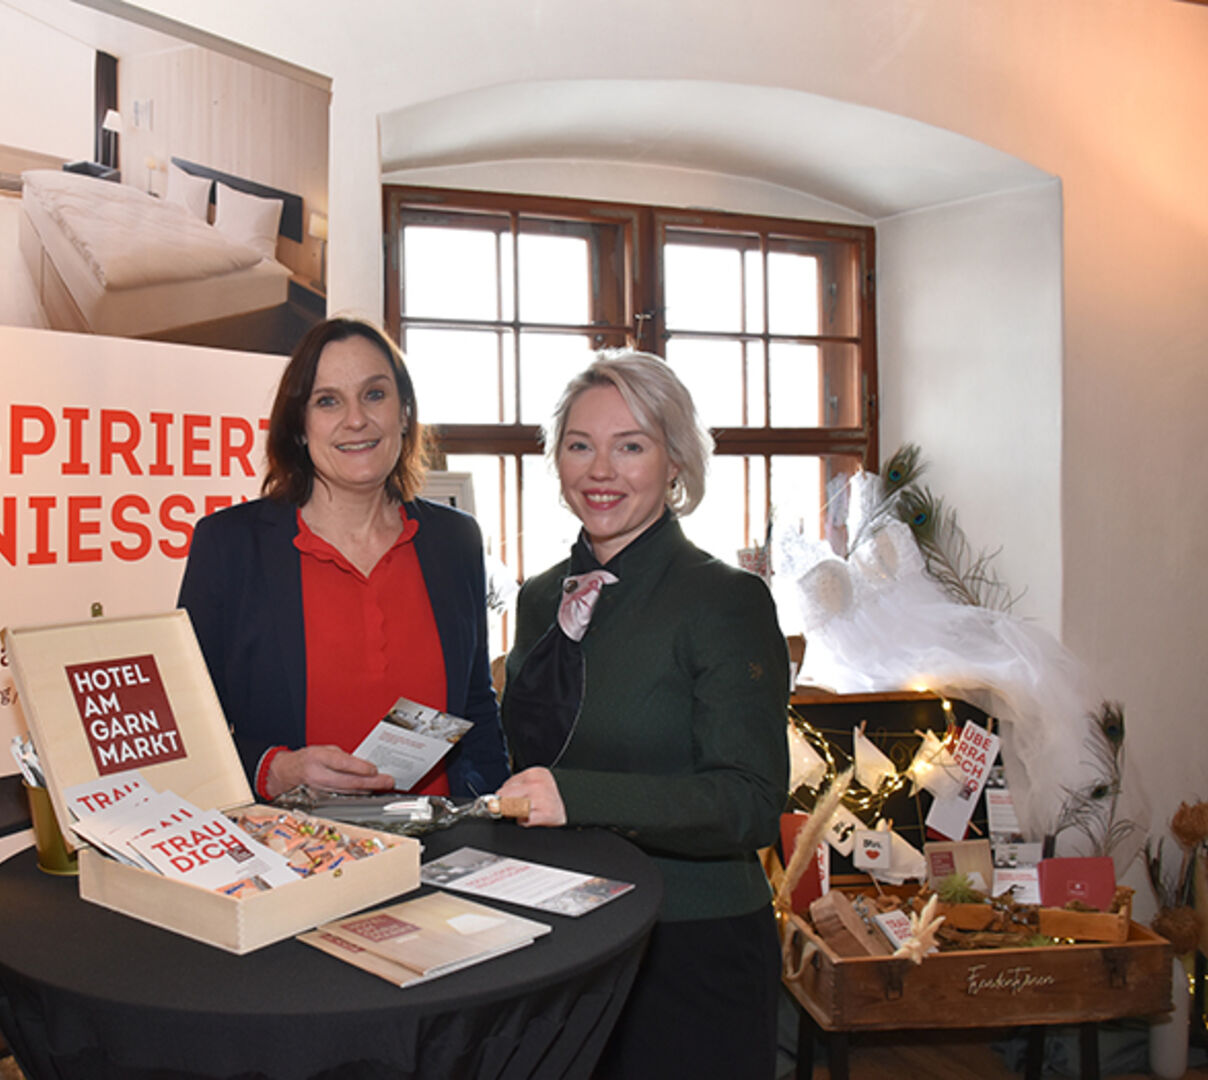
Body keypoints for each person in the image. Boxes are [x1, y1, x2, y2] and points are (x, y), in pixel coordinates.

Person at [495, 351, 789, 1079]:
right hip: (565, 928)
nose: (601, 470)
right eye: (579, 444)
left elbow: (749, 804)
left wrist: (579, 797)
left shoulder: (723, 600)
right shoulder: (540, 599)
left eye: (630, 446)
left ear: (675, 464)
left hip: (688, 944)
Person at [178, 317, 509, 800]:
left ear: (404, 412)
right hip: (296, 852)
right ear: (299, 426)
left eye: (375, 394)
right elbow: (185, 729)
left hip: (443, 849)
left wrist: (501, 831)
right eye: (328, 401)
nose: (356, 419)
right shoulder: (229, 546)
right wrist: (274, 769)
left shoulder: (455, 541)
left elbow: (477, 707)